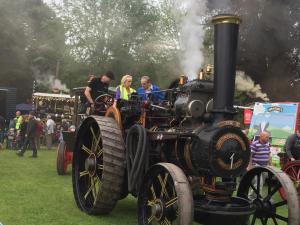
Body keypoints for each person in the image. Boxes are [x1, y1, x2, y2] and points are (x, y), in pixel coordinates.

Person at [248, 131, 271, 199]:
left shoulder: (267, 144)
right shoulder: (255, 144)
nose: (268, 138)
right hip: (256, 165)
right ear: (261, 137)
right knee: (259, 183)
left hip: (265, 166)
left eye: (268, 137)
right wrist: (250, 166)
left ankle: (253, 196)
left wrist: (271, 165)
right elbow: (250, 155)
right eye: (267, 137)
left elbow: (269, 154)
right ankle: (254, 197)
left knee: (261, 183)